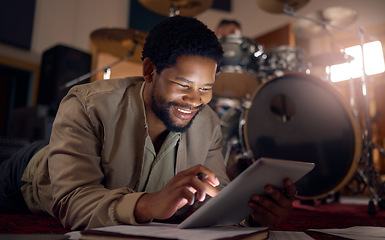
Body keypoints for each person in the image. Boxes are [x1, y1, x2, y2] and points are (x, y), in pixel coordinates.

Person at [0, 16, 296, 230]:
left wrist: (255, 212)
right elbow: (73, 203)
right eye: (183, 84)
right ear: (150, 70)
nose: (194, 100)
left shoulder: (209, 125)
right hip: (29, 174)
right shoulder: (86, 105)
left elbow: (215, 201)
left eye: (205, 88)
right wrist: (148, 205)